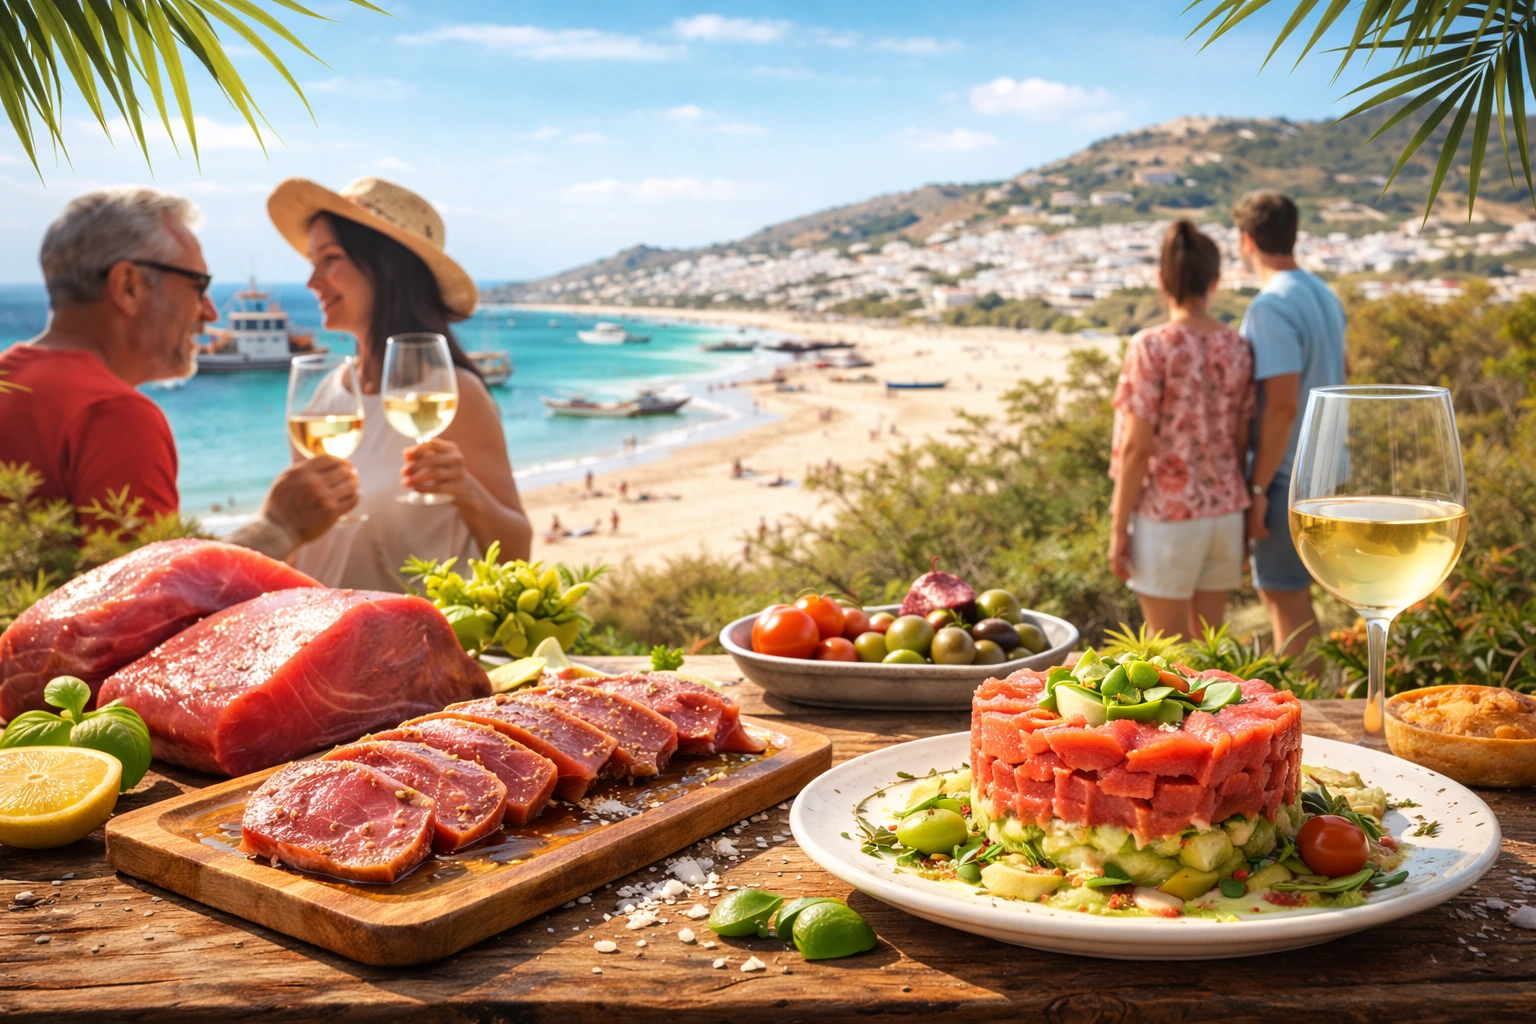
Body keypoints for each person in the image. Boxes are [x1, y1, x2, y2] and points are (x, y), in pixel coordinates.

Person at [0, 187, 356, 555]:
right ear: (128, 286)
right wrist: (278, 526)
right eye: (198, 287)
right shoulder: (114, 416)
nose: (210, 314)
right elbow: (151, 603)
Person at [266, 176, 532, 589]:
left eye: (330, 258)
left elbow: (518, 553)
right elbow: (302, 541)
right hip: (320, 636)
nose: (312, 281)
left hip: (411, 647)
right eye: (312, 263)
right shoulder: (324, 394)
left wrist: (466, 490)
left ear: (386, 268)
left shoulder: (456, 394)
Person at [1108, 220, 1256, 639]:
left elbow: (1137, 448)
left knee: (1171, 654)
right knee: (1207, 657)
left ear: (1162, 279)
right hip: (1226, 512)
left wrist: (1119, 529)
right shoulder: (1238, 346)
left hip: (1166, 515)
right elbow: (1243, 437)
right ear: (1215, 281)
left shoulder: (1150, 346)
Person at [1232, 191, 1347, 658]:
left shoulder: (1270, 306)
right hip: (1332, 470)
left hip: (1288, 477)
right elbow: (1344, 373)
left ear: (1245, 241)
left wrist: (1257, 491)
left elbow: (1281, 406)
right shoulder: (1323, 292)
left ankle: (1304, 712)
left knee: (1284, 596)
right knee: (1295, 594)